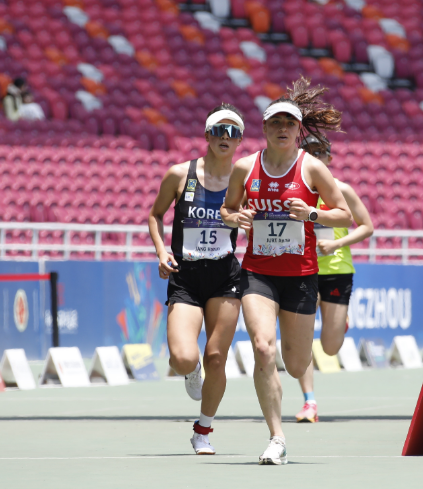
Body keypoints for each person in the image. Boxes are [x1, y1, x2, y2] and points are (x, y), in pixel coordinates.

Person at [221, 78, 352, 465]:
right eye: (275, 122)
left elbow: (344, 214)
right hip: (257, 273)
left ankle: (302, 362)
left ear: (298, 130)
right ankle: (276, 437)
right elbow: (227, 209)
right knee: (263, 348)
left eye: (289, 123)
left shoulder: (311, 168)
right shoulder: (244, 167)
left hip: (301, 275)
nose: (282, 128)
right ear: (264, 128)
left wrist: (311, 214)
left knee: (296, 365)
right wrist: (237, 217)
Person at [148, 104, 247, 456]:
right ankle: (191, 371)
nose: (225, 137)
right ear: (207, 135)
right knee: (183, 358)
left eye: (233, 132)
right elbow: (156, 215)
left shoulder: (245, 180)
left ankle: (202, 431)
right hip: (186, 277)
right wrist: (162, 251)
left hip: (225, 277)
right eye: (219, 130)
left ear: (240, 140)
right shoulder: (179, 174)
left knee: (216, 358)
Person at [293, 135, 374, 423]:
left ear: (329, 158)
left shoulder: (342, 190)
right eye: (309, 152)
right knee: (302, 340)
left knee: (329, 347)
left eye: (320, 152)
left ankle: (341, 322)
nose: (315, 157)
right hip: (303, 271)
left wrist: (336, 244)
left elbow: (366, 227)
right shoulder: (293, 191)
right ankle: (309, 401)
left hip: (337, 271)